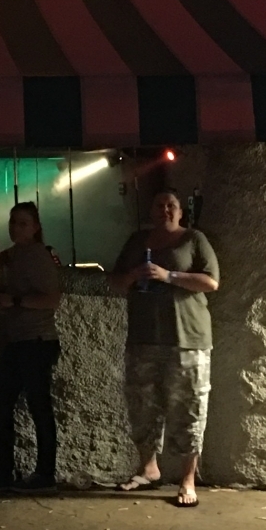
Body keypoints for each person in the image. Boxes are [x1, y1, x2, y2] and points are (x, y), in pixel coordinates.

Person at [106, 188, 220, 508]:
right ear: (151, 210)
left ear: (181, 212)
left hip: (187, 339)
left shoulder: (194, 239)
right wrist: (134, 275)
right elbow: (115, 282)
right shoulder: (137, 241)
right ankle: (148, 469)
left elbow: (211, 282)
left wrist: (168, 275)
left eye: (171, 205)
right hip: (144, 338)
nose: (165, 210)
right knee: (142, 406)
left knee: (188, 409)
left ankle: (187, 479)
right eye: (159, 204)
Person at [0, 200, 62, 491]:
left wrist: (15, 301)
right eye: (13, 222)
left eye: (23, 223)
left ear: (35, 227)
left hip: (36, 340)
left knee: (37, 406)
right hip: (19, 339)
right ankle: (7, 471)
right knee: (3, 404)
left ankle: (44, 473)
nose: (16, 228)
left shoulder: (38, 255)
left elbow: (52, 298)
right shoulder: (11, 256)